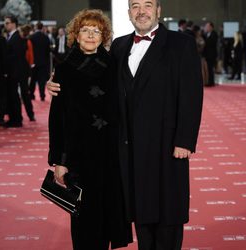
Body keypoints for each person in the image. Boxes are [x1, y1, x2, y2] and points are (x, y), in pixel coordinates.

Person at [47, 1, 203, 249]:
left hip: (166, 147)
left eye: (148, 5)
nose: (142, 11)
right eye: (135, 6)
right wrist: (54, 83)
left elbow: (192, 95)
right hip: (127, 150)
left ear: (158, 10)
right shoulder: (119, 46)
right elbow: (90, 78)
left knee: (167, 216)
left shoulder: (181, 44)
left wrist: (184, 140)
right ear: (129, 12)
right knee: (140, 213)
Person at [48, 9, 132, 250]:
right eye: (85, 30)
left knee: (108, 215)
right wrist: (59, 161)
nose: (91, 35)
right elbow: (57, 120)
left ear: (103, 35)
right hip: (79, 156)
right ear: (76, 34)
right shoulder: (64, 68)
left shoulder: (114, 65)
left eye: (96, 30)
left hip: (111, 153)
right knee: (83, 217)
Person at [4, 15, 29, 127]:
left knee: (14, 96)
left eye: (7, 23)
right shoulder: (12, 36)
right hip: (13, 71)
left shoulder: (16, 37)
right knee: (12, 95)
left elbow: (16, 56)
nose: (5, 25)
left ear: (14, 24)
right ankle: (14, 118)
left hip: (15, 71)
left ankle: (17, 119)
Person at [29, 21, 51, 101]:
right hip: (43, 62)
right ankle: (42, 95)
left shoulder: (31, 37)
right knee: (42, 81)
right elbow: (48, 50)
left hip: (34, 62)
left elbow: (29, 50)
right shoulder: (46, 37)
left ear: (35, 27)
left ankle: (31, 95)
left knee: (33, 80)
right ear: (42, 27)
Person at [203, 21, 218, 87]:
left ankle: (211, 82)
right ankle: (209, 81)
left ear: (211, 27)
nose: (206, 28)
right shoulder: (207, 34)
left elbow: (210, 43)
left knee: (210, 68)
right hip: (207, 54)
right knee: (208, 69)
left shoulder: (214, 34)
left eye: (207, 26)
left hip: (211, 55)